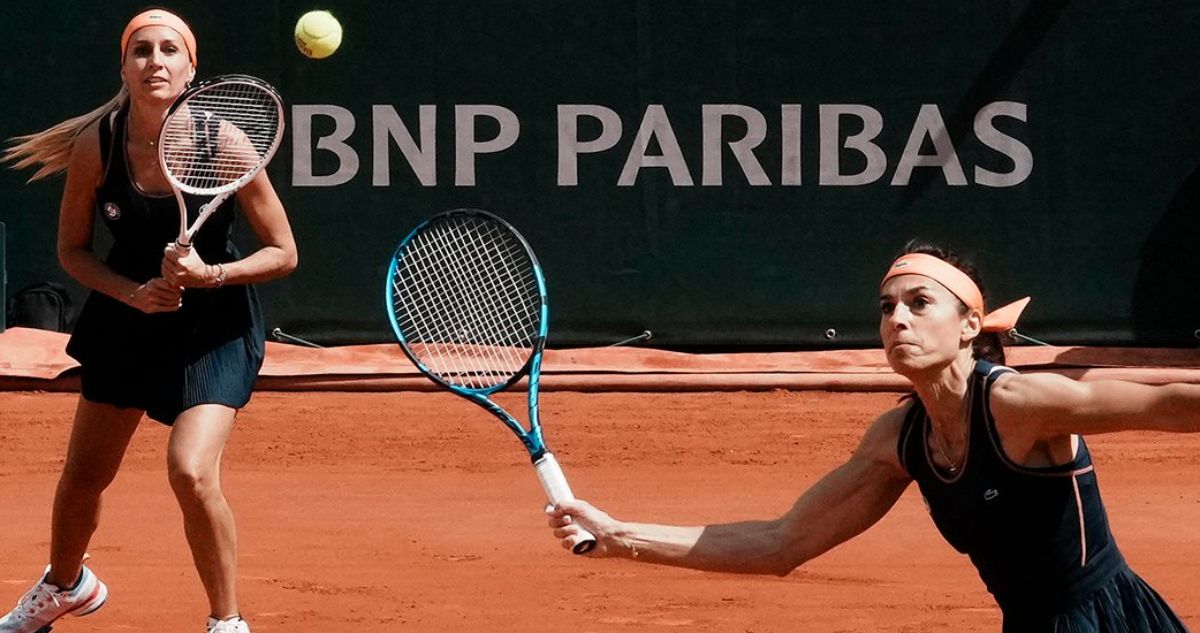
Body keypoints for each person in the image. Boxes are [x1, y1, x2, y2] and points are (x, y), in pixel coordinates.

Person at [548, 242, 1198, 632]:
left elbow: (1164, 402)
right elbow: (781, 542)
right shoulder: (899, 438)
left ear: (970, 323)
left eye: (919, 303)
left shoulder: (1017, 405)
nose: (897, 319)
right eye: (887, 307)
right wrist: (620, 534)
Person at [0, 8, 297, 633]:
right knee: (83, 480)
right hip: (126, 318)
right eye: (141, 51)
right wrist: (133, 293)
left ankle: (227, 621)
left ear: (191, 69)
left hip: (212, 328)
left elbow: (283, 252)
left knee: (190, 470)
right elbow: (72, 252)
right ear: (125, 67)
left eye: (169, 50)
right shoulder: (98, 144)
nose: (154, 61)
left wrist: (210, 275)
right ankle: (65, 585)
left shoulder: (224, 140)